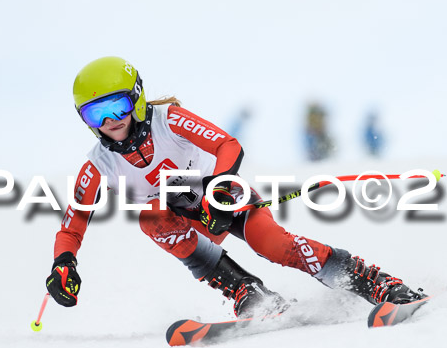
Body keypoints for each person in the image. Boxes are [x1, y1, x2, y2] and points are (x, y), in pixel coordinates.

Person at [45, 56, 424, 317]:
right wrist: (64, 262)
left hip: (217, 194)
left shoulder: (169, 119)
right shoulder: (99, 165)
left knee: (272, 244)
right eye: (97, 113)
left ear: (138, 99)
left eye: (118, 106)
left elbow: (228, 145)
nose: (111, 120)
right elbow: (73, 223)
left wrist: (218, 189)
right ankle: (248, 292)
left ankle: (375, 282)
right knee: (151, 216)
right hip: (178, 220)